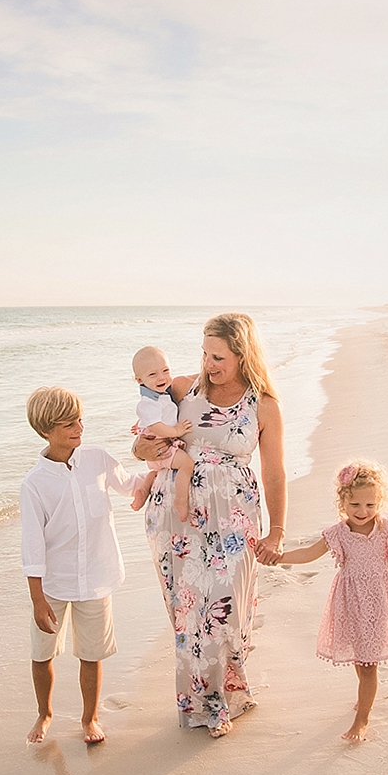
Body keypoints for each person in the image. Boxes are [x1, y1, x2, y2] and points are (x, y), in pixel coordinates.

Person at [133, 313, 288, 737]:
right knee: (189, 614)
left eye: (218, 356)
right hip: (178, 519)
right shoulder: (185, 388)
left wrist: (277, 532)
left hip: (235, 518)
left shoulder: (264, 405)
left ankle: (226, 693)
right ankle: (204, 705)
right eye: (204, 353)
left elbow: (275, 473)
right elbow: (140, 441)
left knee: (226, 611)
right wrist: (146, 443)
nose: (208, 363)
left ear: (243, 354)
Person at [19, 386, 141, 746]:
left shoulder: (98, 459)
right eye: (68, 422)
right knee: (42, 655)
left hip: (97, 579)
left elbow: (132, 484)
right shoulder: (34, 484)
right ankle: (45, 713)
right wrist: (37, 600)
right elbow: (32, 546)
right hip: (53, 584)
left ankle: (90, 719)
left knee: (91, 654)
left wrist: (164, 461)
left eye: (80, 419)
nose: (79, 427)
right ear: (46, 430)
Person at [274, 460, 388, 743]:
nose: (363, 512)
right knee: (359, 654)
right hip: (352, 601)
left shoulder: (385, 528)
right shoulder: (338, 533)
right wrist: (279, 557)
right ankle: (365, 697)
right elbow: (308, 553)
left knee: (368, 664)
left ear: (380, 502)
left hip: (379, 600)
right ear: (342, 502)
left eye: (370, 505)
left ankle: (362, 718)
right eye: (355, 505)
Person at [127, 345, 196, 514]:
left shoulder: (160, 396)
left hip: (158, 449)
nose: (162, 377)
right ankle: (180, 500)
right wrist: (177, 431)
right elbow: (156, 426)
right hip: (162, 445)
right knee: (187, 465)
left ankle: (143, 490)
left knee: (156, 472)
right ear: (139, 380)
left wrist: (140, 424)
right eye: (153, 374)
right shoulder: (148, 401)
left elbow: (152, 417)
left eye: (165, 370)